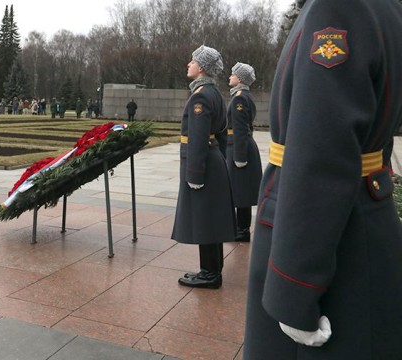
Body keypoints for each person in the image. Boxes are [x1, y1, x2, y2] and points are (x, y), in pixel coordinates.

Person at [244, 0, 402, 358]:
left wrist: (294, 290)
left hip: (331, 239)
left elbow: (320, 150)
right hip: (364, 218)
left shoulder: (339, 8)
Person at [171, 45, 235, 289]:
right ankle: (211, 270)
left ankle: (210, 273)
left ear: (202, 68)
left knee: (205, 219)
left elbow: (197, 137)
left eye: (193, 61)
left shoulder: (200, 96)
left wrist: (195, 173)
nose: (189, 63)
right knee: (210, 218)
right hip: (212, 159)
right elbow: (219, 134)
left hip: (203, 163)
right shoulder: (213, 93)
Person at [226, 62, 262, 242]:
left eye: (233, 74)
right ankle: (242, 229)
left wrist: (239, 157)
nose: (230, 76)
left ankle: (241, 231)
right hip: (242, 145)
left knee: (240, 193)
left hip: (239, 147)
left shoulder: (239, 98)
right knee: (241, 192)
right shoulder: (244, 95)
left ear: (240, 78)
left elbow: (240, 129)